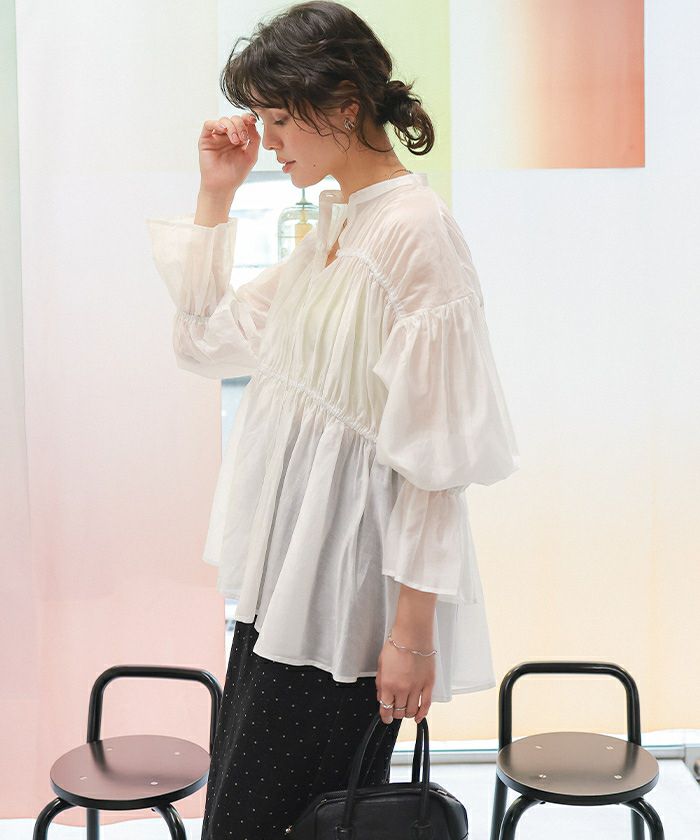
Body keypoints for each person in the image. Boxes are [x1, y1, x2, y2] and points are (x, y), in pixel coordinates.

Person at [146, 2, 520, 836]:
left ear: (343, 106)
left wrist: (413, 636)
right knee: (249, 817)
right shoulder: (335, 229)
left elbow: (435, 459)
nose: (269, 140)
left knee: (290, 821)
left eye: (280, 119)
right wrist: (216, 195)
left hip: (346, 612)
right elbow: (203, 341)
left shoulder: (417, 234)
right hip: (285, 596)